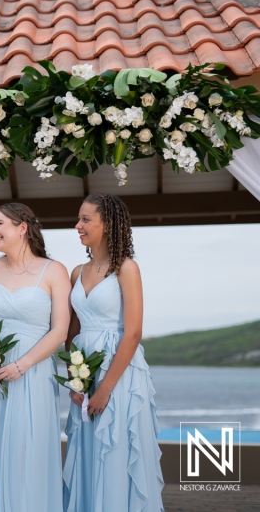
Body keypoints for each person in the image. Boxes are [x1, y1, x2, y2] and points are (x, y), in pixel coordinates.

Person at [63, 193, 164, 511]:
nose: (77, 225)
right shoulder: (77, 272)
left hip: (119, 376)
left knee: (115, 452)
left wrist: (105, 388)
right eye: (78, 219)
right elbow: (72, 331)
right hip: (84, 372)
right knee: (89, 452)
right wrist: (74, 381)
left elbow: (133, 333)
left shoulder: (127, 269)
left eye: (85, 219)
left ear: (107, 225)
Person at [0, 203, 70, 511]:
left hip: (32, 373)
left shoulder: (53, 271)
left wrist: (21, 365)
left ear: (22, 227)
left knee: (28, 451)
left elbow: (60, 331)